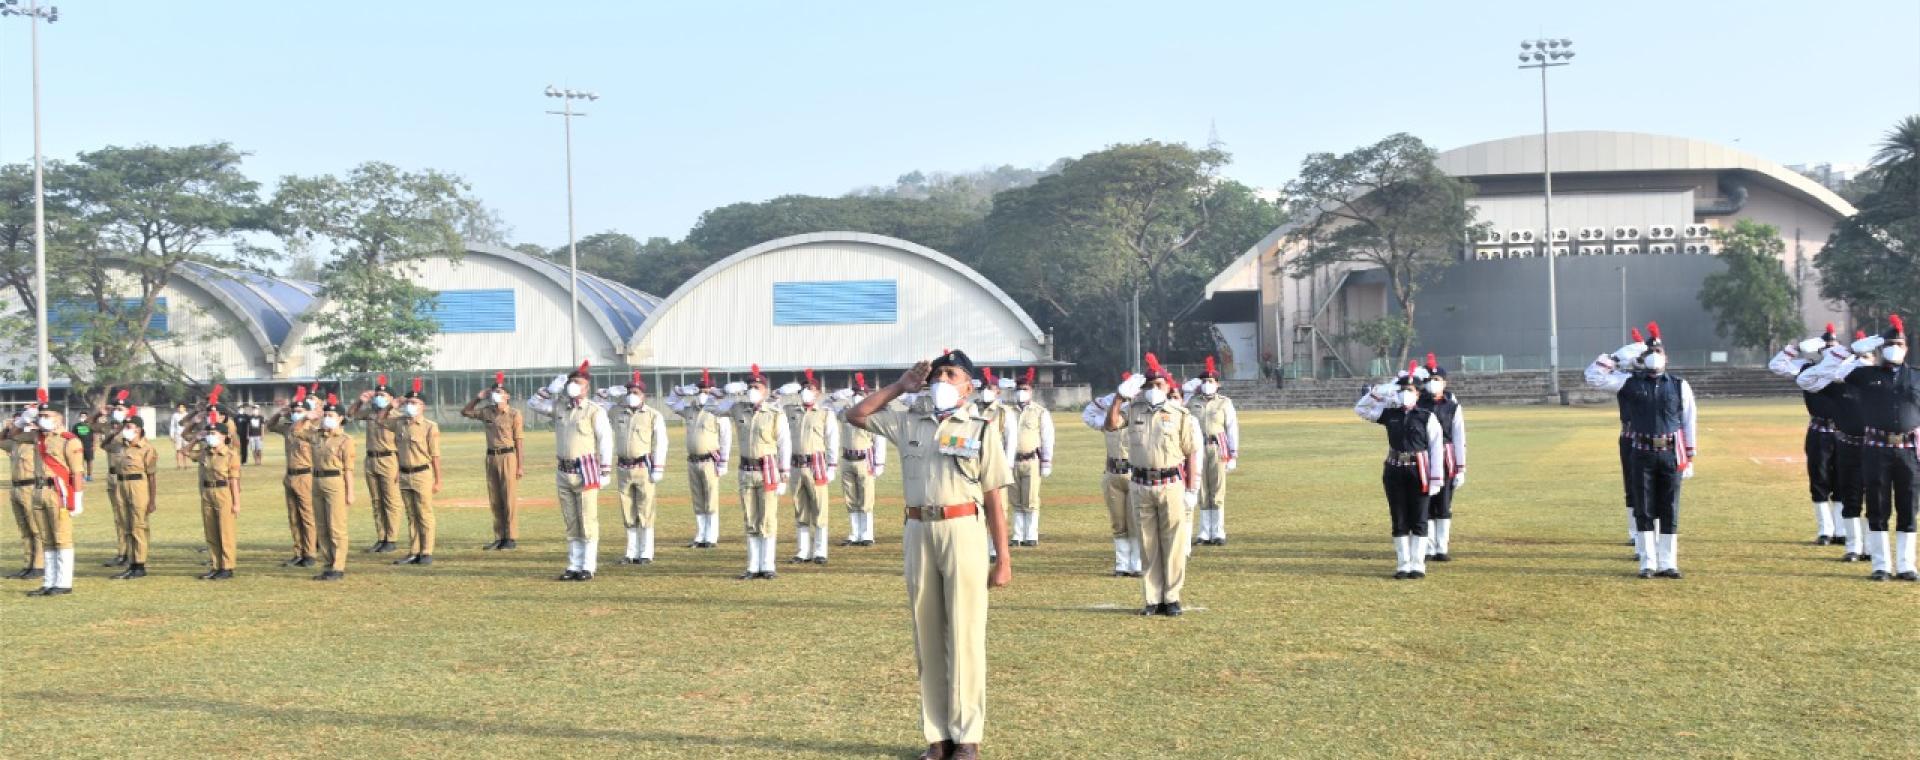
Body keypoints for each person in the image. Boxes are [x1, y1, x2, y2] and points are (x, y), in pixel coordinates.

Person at [846, 350, 1012, 760]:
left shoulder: (981, 427)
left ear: (968, 387)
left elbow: (993, 496)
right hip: (918, 529)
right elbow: (856, 415)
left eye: (950, 374)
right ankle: (938, 736)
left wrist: (1003, 557)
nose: (941, 378)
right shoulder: (908, 420)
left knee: (966, 634)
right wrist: (901, 386)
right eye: (937, 373)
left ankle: (968, 736)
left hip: (964, 530)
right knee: (927, 633)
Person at [1807, 316, 1920, 581]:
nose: (1894, 347)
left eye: (1898, 343)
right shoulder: (1864, 374)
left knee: (1908, 507)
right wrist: (1852, 349)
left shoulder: (1916, 376)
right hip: (1876, 449)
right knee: (1878, 506)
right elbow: (1818, 374)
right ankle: (1880, 565)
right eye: (1889, 343)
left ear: (1906, 347)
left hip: (1907, 450)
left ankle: (1906, 565)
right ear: (1880, 347)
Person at [1586, 322, 1698, 579]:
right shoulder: (1628, 382)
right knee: (1644, 507)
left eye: (1659, 352)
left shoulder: (1680, 385)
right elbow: (1593, 377)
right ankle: (1647, 562)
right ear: (1641, 359)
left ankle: (1668, 562)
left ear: (1666, 357)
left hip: (1670, 451)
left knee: (1669, 507)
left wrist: (1690, 455)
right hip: (1641, 451)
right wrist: (1616, 357)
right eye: (1649, 353)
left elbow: (1689, 420)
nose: (1655, 356)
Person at [1106, 353, 1202, 613]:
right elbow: (1111, 425)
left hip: (1171, 483)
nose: (1153, 390)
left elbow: (1191, 452)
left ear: (1168, 387)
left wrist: (1192, 489)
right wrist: (1119, 397)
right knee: (1148, 544)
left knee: (1173, 543)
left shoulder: (1180, 414)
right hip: (1140, 483)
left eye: (1158, 385)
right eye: (1148, 386)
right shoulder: (1134, 409)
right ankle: (1152, 598)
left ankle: (1171, 597)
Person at [1355, 363, 1447, 580]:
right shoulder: (1390, 414)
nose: (1407, 394)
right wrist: (1378, 392)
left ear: (1418, 394)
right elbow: (1361, 409)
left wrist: (1436, 479)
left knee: (1419, 518)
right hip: (1394, 470)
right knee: (1399, 518)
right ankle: (1402, 564)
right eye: (1403, 390)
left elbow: (1436, 449)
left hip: (1420, 470)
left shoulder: (1426, 417)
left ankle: (1418, 564)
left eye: (1411, 390)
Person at [529, 361, 614, 581]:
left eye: (578, 382)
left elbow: (605, 441)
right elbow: (534, 404)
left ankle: (588, 565)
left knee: (587, 518)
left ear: (587, 388)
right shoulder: (559, 406)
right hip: (563, 470)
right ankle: (573, 564)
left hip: (586, 470)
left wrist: (605, 471)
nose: (573, 386)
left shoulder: (594, 411)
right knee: (571, 519)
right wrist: (549, 389)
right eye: (571, 382)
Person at [1797, 330, 1875, 563]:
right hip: (1843, 441)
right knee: (1841, 490)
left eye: (1867, 358)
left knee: (1873, 498)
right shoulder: (1839, 383)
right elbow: (1806, 380)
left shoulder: (1878, 383)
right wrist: (1842, 355)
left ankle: (1870, 548)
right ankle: (1849, 544)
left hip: (1873, 445)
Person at [1770, 325, 1849, 547]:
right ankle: (1825, 531)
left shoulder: (1845, 370)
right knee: (1819, 479)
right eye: (1826, 347)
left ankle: (1841, 530)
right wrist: (1794, 348)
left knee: (1842, 481)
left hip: (1843, 431)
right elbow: (1776, 365)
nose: (1830, 351)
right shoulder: (1807, 368)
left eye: (1834, 347)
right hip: (1818, 431)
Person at [718, 365, 791, 580]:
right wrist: (727, 391)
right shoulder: (738, 408)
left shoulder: (775, 413)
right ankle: (752, 565)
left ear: (765, 390)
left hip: (767, 470)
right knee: (750, 518)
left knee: (767, 518)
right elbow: (713, 408)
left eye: (757, 386)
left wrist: (784, 473)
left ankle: (767, 565)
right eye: (749, 386)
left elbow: (784, 443)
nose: (752, 389)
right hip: (746, 470)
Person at [10, 391, 85, 595]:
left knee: (61, 538)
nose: (43, 419)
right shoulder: (37, 437)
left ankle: (63, 582)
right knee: (47, 538)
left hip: (58, 492)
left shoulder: (70, 440)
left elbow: (77, 472)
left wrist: (77, 499)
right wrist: (25, 419)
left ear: (59, 417)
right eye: (41, 416)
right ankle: (50, 581)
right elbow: (11, 436)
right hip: (38, 490)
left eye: (47, 416)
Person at [605, 371, 667, 565]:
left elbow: (661, 442)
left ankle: (646, 552)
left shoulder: (652, 415)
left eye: (636, 392)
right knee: (627, 509)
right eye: (629, 391)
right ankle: (630, 552)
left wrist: (658, 467)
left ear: (644, 395)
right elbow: (596, 406)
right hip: (623, 467)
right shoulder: (617, 411)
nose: (632, 394)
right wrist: (608, 393)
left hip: (643, 467)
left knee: (645, 509)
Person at [1083, 374, 1141, 577]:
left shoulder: (1140, 411)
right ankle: (1121, 563)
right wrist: (1116, 397)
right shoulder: (1109, 415)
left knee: (1135, 521)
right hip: (1112, 472)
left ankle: (1137, 562)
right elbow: (1089, 414)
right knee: (1118, 522)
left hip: (1134, 472)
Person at [380, 378, 442, 566]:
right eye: (407, 402)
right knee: (411, 514)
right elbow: (380, 419)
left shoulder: (429, 427)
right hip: (405, 474)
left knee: (424, 513)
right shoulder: (399, 423)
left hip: (422, 473)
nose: (409, 405)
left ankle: (426, 551)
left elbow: (435, 456)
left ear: (423, 406)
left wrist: (438, 480)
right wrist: (393, 404)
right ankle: (414, 551)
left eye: (414, 403)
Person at [667, 370, 731, 549]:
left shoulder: (719, 410)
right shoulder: (690, 409)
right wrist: (681, 391)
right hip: (693, 460)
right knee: (698, 499)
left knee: (710, 498)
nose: (704, 392)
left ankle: (711, 537)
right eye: (701, 389)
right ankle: (700, 535)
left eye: (707, 389)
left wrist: (723, 462)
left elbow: (726, 437)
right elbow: (670, 402)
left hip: (710, 459)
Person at [462, 372, 525, 551]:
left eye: (499, 391)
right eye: (493, 391)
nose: (496, 394)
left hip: (508, 456)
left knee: (509, 498)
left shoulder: (514, 414)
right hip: (491, 457)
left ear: (507, 395)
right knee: (495, 498)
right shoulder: (487, 412)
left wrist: (520, 466)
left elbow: (519, 440)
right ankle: (499, 536)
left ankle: (511, 537)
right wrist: (477, 398)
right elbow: (465, 412)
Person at [184, 388, 242, 581]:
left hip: (223, 491)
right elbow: (185, 452)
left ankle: (227, 566)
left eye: (214, 434)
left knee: (225, 531)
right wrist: (196, 438)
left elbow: (234, 480)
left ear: (224, 437)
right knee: (211, 531)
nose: (211, 436)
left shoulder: (230, 454)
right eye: (209, 433)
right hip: (207, 492)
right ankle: (216, 565)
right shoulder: (204, 452)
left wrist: (236, 502)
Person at [1416, 354, 1468, 562]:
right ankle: (1427, 547)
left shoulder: (1452, 406)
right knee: (1425, 503)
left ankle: (1441, 547)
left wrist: (1461, 467)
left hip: (1446, 458)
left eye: (1437, 380)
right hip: (1423, 458)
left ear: (1445, 382)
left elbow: (1459, 436)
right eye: (1428, 379)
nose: (1433, 383)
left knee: (1443, 504)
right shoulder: (1418, 404)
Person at [782, 369, 837, 564]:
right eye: (804, 387)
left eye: (811, 388)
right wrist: (779, 393)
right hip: (796, 465)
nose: (807, 390)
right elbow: (771, 408)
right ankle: (803, 551)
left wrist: (832, 465)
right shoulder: (789, 411)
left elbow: (832, 440)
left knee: (819, 508)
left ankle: (820, 551)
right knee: (800, 508)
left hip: (816, 465)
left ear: (818, 393)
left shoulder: (824, 413)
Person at [301, 394, 356, 581]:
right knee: (322, 526)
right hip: (317, 480)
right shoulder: (316, 435)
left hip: (335, 482)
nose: (327, 418)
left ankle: (338, 566)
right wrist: (305, 417)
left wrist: (350, 492)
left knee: (336, 526)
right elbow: (295, 431)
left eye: (331, 415)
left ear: (340, 418)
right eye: (325, 415)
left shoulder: (345, 440)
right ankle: (328, 563)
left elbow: (348, 469)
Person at [1186, 357, 1239, 547]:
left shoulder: (1225, 403)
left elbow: (1232, 428)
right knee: (1201, 490)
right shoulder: (1192, 401)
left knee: (1217, 490)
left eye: (1211, 381)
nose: (1207, 384)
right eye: (1204, 381)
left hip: (1218, 447)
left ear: (1218, 384)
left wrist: (1233, 454)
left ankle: (1218, 532)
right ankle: (1203, 532)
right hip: (1197, 448)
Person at [348, 376, 404, 553]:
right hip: (371, 459)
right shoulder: (371, 414)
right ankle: (381, 537)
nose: (378, 397)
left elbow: (403, 444)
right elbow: (350, 415)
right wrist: (360, 401)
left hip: (389, 459)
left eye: (383, 394)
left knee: (391, 501)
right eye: (377, 394)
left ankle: (392, 539)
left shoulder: (397, 417)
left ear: (391, 399)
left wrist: (400, 467)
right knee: (376, 500)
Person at [266, 387, 318, 569]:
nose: (296, 414)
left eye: (300, 411)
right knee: (293, 517)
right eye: (294, 411)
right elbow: (270, 426)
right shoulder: (288, 428)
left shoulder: (313, 431)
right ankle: (298, 552)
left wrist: (307, 418)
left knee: (307, 516)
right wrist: (280, 413)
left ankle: (310, 553)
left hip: (305, 475)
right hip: (290, 475)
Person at [831, 373, 885, 547]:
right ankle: (854, 533)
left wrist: (879, 462)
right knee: (851, 497)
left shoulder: (871, 414)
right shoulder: (845, 412)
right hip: (847, 458)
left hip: (865, 459)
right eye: (855, 393)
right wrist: (836, 396)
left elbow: (879, 439)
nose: (857, 397)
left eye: (860, 394)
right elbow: (826, 407)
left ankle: (867, 534)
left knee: (866, 498)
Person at [106, 406, 159, 580]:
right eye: (125, 427)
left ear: (139, 430)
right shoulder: (120, 445)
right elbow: (104, 445)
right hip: (121, 485)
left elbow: (151, 476)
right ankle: (131, 562)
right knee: (126, 525)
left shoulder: (147, 449)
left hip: (138, 486)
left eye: (129, 427)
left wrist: (152, 500)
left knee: (138, 526)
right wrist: (120, 430)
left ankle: (140, 564)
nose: (126, 430)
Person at [1006, 368, 1054, 549]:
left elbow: (1048, 438)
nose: (1021, 392)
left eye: (1024, 388)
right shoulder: (1008, 411)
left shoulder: (1040, 412)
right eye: (1019, 389)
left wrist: (1046, 462)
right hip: (1012, 461)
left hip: (1032, 460)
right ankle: (1017, 535)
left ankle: (1031, 534)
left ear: (1031, 391)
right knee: (1015, 500)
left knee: (1031, 499)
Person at [3, 398, 47, 582]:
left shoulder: (36, 441)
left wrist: (35, 419)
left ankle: (38, 565)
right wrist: (10, 427)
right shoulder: (16, 443)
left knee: (35, 527)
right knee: (24, 529)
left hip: (31, 486)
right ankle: (28, 564)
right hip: (16, 488)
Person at [98, 391, 133, 568]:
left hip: (127, 476)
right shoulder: (110, 426)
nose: (117, 411)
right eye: (115, 408)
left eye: (120, 408)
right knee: (118, 516)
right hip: (112, 475)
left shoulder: (133, 429)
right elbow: (90, 425)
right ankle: (122, 552)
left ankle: (133, 553)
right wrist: (101, 412)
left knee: (129, 516)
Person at [170, 403, 190, 470]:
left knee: (185, 450)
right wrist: (172, 435)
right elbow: (172, 426)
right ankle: (178, 465)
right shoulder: (175, 415)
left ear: (185, 408)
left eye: (182, 407)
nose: (180, 409)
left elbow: (191, 425)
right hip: (178, 435)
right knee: (178, 450)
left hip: (186, 434)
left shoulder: (188, 415)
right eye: (179, 407)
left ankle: (185, 465)